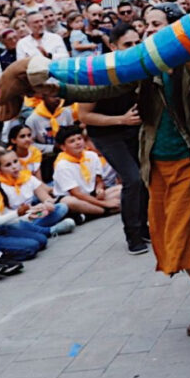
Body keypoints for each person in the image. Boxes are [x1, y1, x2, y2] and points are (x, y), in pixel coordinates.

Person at [50, 3, 190, 347]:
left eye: (156, 24)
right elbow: (102, 90)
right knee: (169, 240)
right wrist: (57, 88)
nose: (148, 30)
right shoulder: (143, 67)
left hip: (188, 164)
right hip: (155, 166)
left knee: (183, 240)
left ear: (176, 29)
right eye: (146, 24)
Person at [76, 22, 149, 254]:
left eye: (137, 42)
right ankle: (133, 235)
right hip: (107, 133)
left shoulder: (141, 67)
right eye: (127, 44)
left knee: (145, 177)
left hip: (132, 129)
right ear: (113, 46)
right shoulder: (99, 73)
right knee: (132, 179)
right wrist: (121, 120)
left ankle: (144, 227)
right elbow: (84, 115)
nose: (134, 47)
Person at [0, 147, 74, 236]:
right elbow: (4, 216)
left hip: (35, 215)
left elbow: (46, 198)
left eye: (15, 161)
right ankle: (50, 230)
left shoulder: (28, 177)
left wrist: (47, 204)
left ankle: (33, 230)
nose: (14, 166)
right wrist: (28, 214)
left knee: (61, 207)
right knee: (15, 226)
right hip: (17, 220)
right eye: (8, 165)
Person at [51, 124, 121, 218]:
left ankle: (90, 213)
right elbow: (76, 193)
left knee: (120, 189)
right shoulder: (62, 165)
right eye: (72, 141)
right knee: (68, 202)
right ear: (63, 147)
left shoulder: (91, 155)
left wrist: (99, 189)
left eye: (79, 139)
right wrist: (105, 204)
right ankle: (105, 211)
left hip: (91, 195)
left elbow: (99, 180)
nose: (78, 143)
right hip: (76, 198)